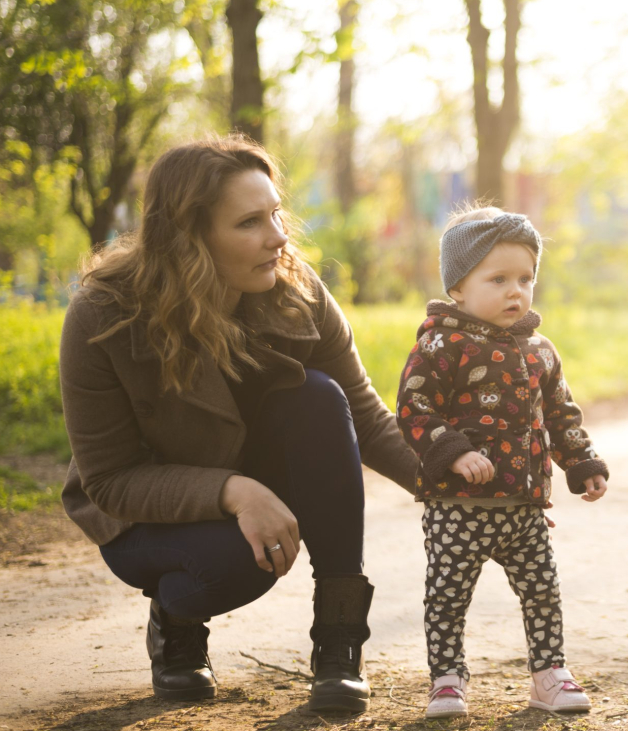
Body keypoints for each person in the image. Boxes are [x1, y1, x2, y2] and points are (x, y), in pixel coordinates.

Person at [59, 135, 418, 713]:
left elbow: (368, 421)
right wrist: (233, 491)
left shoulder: (297, 291)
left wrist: (460, 486)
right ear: (189, 239)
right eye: (250, 222)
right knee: (232, 566)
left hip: (252, 485)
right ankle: (175, 620)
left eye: (276, 213)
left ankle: (339, 643)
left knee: (320, 398)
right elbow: (111, 481)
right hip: (143, 519)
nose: (278, 236)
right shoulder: (104, 314)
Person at [396, 206, 609, 719]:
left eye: (525, 278)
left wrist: (581, 462)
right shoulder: (442, 343)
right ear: (459, 288)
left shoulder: (540, 350)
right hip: (457, 505)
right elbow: (413, 408)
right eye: (499, 279)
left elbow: (561, 414)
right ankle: (447, 680)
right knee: (447, 594)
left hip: (524, 507)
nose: (516, 290)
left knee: (542, 592)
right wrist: (456, 452)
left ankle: (549, 672)